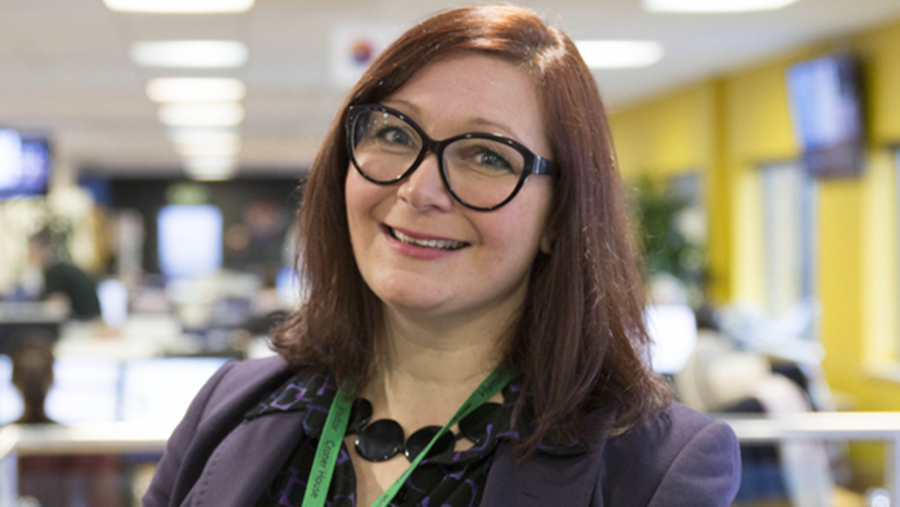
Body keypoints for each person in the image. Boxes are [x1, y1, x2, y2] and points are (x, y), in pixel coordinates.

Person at [144, 5, 741, 507]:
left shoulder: (658, 469)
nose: (418, 190)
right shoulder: (231, 404)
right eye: (395, 133)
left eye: (486, 156)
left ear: (560, 218)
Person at [27, 227, 102, 320]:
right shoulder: (59, 269)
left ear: (41, 250)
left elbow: (54, 310)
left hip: (86, 322)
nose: (29, 257)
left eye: (32, 251)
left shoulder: (54, 273)